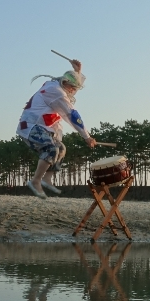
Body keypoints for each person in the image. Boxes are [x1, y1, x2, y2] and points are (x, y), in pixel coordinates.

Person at [16, 59, 96, 198]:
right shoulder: (57, 92)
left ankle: (47, 179)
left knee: (61, 149)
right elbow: (72, 115)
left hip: (43, 126)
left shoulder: (56, 84)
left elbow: (73, 84)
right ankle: (35, 181)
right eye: (72, 89)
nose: (73, 92)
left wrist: (78, 72)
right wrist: (86, 136)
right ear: (65, 84)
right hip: (30, 126)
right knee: (51, 149)